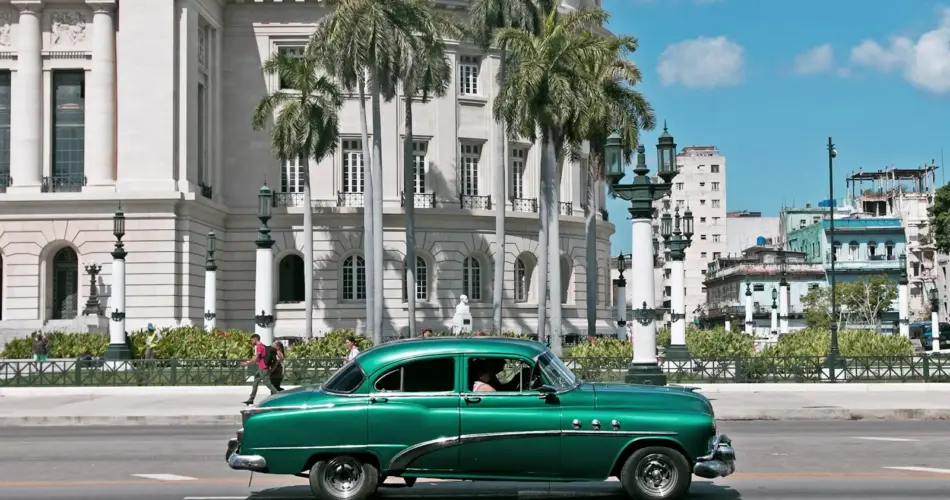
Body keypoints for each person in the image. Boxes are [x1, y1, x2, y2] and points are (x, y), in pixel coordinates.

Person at [240, 334, 277, 405]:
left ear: (255, 339)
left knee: (268, 384)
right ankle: (251, 400)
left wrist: (246, 364)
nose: (251, 341)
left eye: (251, 340)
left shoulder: (259, 347)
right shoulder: (262, 345)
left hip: (263, 369)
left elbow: (255, 359)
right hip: (261, 369)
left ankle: (279, 396)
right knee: (255, 383)